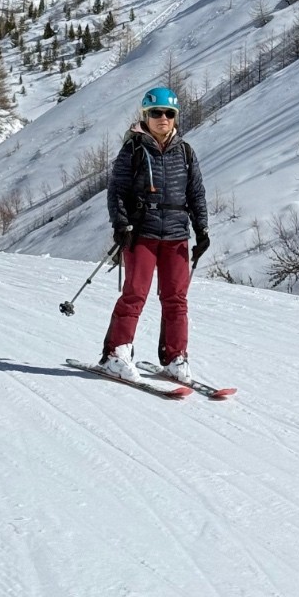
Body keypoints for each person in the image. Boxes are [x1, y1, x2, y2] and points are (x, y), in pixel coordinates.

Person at [99, 86, 209, 384]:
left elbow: (196, 193)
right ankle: (116, 355)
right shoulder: (133, 149)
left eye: (169, 113)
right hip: (141, 232)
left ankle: (176, 358)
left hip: (176, 235)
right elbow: (117, 191)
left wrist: (202, 230)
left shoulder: (185, 152)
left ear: (176, 118)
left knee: (176, 298)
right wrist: (120, 225)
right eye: (156, 113)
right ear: (145, 116)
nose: (163, 118)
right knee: (135, 293)